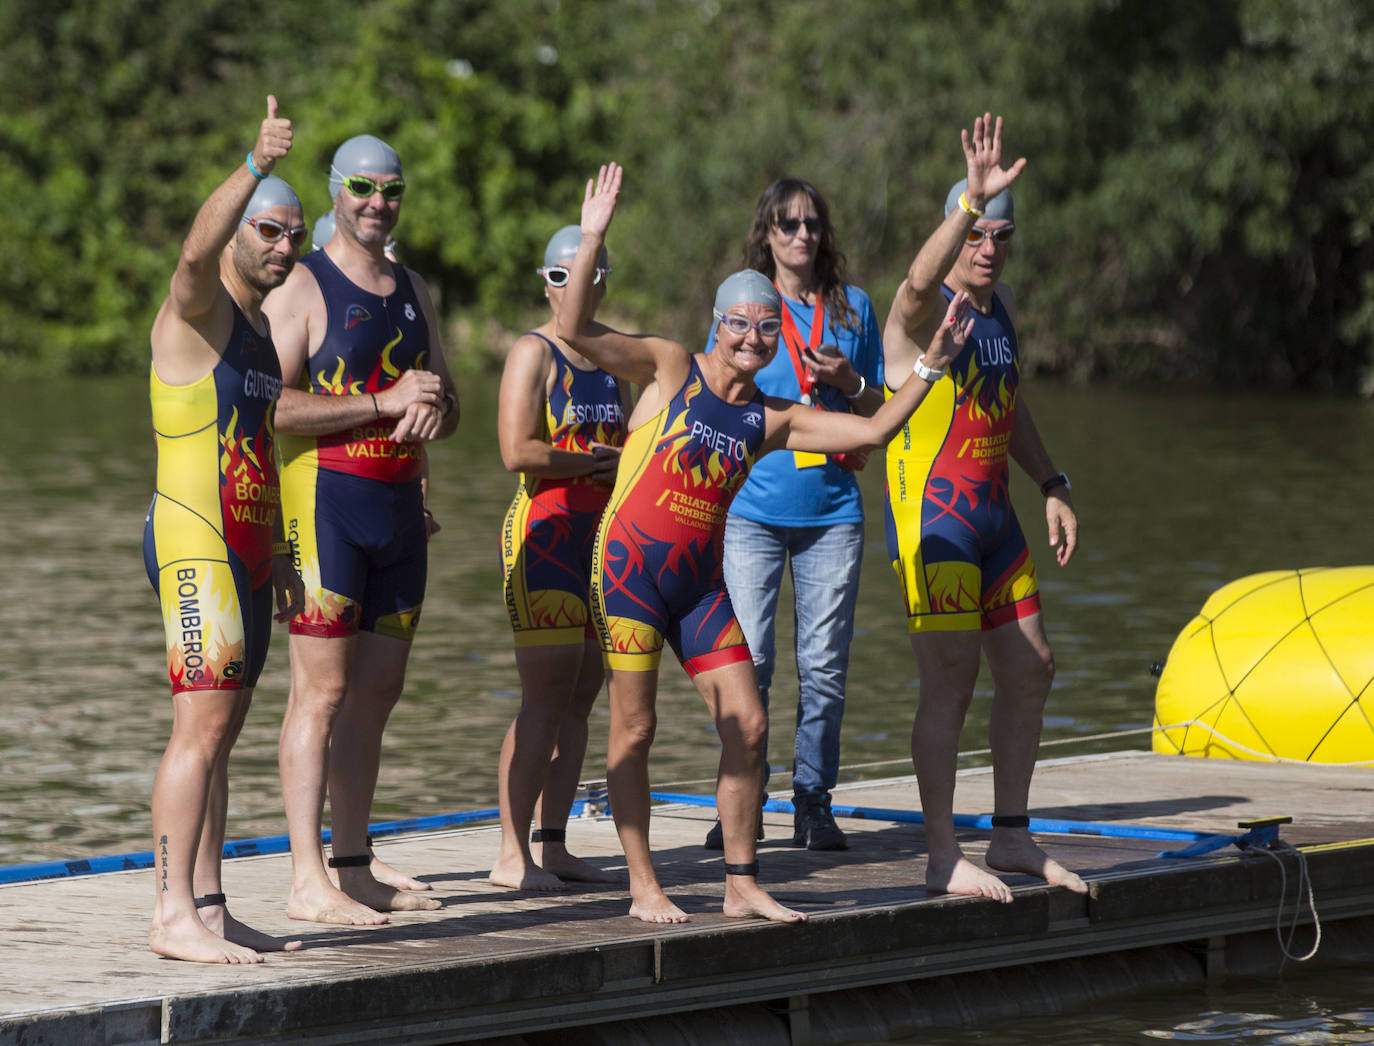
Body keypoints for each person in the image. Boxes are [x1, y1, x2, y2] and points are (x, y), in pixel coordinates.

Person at [557, 163, 973, 924]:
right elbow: (576, 325)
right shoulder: (672, 368)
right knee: (636, 727)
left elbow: (876, 429)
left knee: (748, 724)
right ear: (717, 326)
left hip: (696, 584)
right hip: (627, 575)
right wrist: (592, 237)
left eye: (764, 327)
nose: (752, 337)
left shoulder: (774, 418)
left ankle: (742, 881)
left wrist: (931, 366)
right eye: (738, 324)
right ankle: (644, 885)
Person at [882, 113, 1086, 902]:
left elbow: (1011, 403)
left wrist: (1053, 482)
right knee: (951, 685)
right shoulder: (920, 317)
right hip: (935, 527)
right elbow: (912, 284)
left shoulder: (998, 313)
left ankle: (1009, 834)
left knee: (1033, 668)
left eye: (1002, 236)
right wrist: (967, 201)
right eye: (977, 234)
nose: (989, 248)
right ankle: (942, 854)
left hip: (995, 519)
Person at [263, 133, 460, 925]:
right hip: (326, 506)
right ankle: (306, 879)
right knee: (322, 692)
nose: (379, 203)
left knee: (377, 693)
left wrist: (432, 410)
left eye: (392, 190)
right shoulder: (301, 286)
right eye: (363, 188)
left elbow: (450, 408)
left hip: (400, 511)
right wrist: (383, 403)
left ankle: (353, 862)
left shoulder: (413, 286)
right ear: (336, 192)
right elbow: (271, 405)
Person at [144, 96, 306, 962]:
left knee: (226, 729)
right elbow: (193, 249)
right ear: (243, 231)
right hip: (192, 539)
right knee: (198, 729)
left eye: (295, 236)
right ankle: (171, 916)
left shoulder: (260, 339)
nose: (284, 248)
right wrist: (255, 163)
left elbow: (259, 446)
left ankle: (207, 902)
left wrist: (279, 552)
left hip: (243, 547)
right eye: (269, 232)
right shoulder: (200, 309)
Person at [702, 179, 884, 852]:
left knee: (825, 668)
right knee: (745, 662)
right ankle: (737, 801)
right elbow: (711, 396)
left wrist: (847, 383)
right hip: (750, 510)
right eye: (786, 223)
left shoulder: (853, 307)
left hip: (833, 511)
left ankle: (813, 802)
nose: (800, 234)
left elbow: (879, 412)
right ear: (767, 231)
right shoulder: (747, 303)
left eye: (811, 223)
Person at [489, 226, 631, 892]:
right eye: (560, 278)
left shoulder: (616, 357)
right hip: (543, 534)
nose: (573, 288)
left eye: (587, 276)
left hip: (600, 538)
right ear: (546, 284)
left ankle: (554, 843)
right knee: (543, 698)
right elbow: (517, 450)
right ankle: (510, 853)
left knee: (582, 698)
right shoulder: (532, 352)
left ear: (602, 281)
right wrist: (591, 462)